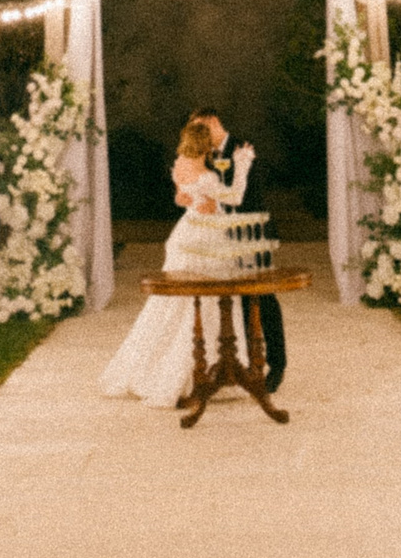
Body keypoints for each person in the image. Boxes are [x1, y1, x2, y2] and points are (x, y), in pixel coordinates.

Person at [98, 117, 253, 407]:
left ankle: (161, 369)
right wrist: (243, 163)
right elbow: (234, 197)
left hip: (185, 234)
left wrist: (194, 200)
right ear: (206, 145)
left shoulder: (180, 164)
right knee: (210, 300)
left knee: (175, 303)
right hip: (207, 237)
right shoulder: (207, 174)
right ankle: (199, 372)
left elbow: (181, 198)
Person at [186, 109, 287, 393]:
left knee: (263, 297)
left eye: (202, 129)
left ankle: (277, 365)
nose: (201, 136)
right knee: (236, 302)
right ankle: (247, 365)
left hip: (253, 233)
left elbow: (250, 195)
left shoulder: (244, 147)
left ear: (214, 122)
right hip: (222, 237)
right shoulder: (205, 155)